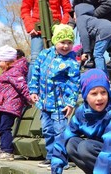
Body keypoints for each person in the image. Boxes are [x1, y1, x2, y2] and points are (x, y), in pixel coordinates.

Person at [50, 69, 111, 174]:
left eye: (103, 92)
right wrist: (56, 170)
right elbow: (62, 140)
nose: (100, 98)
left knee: (86, 147)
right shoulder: (81, 113)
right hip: (102, 150)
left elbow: (110, 152)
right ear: (85, 96)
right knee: (71, 144)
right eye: (94, 93)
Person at [29, 24, 80, 169]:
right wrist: (33, 91)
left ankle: (61, 160)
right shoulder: (44, 55)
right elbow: (36, 73)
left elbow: (74, 84)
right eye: (62, 42)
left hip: (60, 104)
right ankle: (51, 156)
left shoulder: (71, 62)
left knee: (60, 132)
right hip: (44, 102)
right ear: (55, 41)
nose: (66, 46)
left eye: (69, 42)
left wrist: (70, 103)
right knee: (46, 130)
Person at [21, 0, 72, 82]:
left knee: (58, 58)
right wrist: (30, 26)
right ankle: (32, 90)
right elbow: (25, 9)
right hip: (38, 30)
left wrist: (62, 27)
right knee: (35, 59)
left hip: (56, 30)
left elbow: (67, 10)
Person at [0, 45, 32, 161]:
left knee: (4, 127)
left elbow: (22, 86)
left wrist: (29, 97)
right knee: (1, 127)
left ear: (8, 60)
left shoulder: (14, 71)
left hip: (10, 104)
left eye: (0, 61)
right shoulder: (11, 71)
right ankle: (4, 149)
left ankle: (7, 151)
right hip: (6, 104)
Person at [75, 3, 111, 75]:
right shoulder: (91, 20)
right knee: (99, 54)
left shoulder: (80, 18)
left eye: (74, 14)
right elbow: (91, 42)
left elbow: (84, 35)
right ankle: (105, 75)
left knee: (98, 54)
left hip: (104, 31)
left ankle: (100, 76)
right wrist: (82, 50)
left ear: (78, 12)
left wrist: (86, 52)